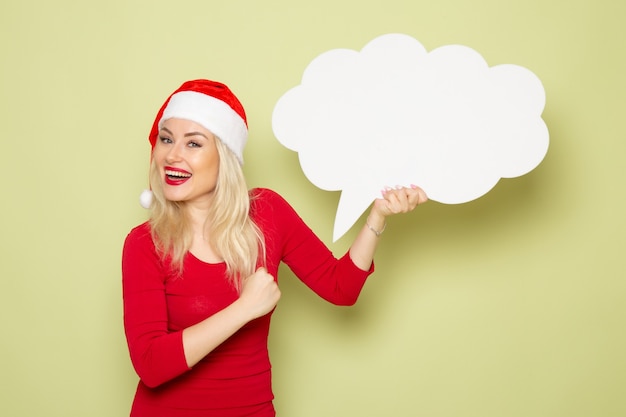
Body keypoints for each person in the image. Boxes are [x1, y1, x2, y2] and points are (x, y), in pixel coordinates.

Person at [122, 79, 428, 417]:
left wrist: (378, 214)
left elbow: (341, 287)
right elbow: (150, 365)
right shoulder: (144, 243)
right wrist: (243, 309)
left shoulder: (267, 214)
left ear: (225, 157)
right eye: (166, 139)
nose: (172, 155)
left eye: (193, 143)